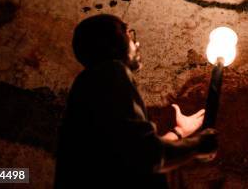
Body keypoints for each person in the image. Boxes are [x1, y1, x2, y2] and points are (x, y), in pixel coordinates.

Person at [54, 14, 217, 188]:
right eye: (129, 34)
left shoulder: (90, 86)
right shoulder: (111, 72)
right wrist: (199, 144)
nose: (137, 43)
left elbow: (127, 155)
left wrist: (178, 133)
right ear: (111, 42)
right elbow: (146, 156)